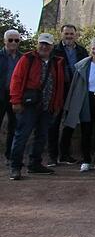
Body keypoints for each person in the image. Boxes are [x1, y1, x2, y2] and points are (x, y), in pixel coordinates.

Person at [8, 34, 66, 180]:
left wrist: (57, 104)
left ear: (52, 46)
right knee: (21, 136)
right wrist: (15, 101)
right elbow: (16, 79)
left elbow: (59, 85)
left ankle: (35, 164)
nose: (44, 47)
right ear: (37, 44)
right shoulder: (28, 59)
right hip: (29, 105)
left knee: (41, 137)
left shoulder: (56, 62)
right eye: (42, 43)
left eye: (47, 44)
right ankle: (15, 167)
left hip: (47, 106)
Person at [62, 38, 95, 173]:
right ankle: (86, 160)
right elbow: (74, 86)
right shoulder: (83, 65)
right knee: (86, 131)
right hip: (86, 99)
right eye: (93, 49)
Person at [49, 24, 87, 166]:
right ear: (61, 34)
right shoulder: (55, 50)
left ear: (75, 35)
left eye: (71, 34)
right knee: (54, 122)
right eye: (67, 34)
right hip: (59, 90)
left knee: (70, 123)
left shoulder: (82, 51)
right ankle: (53, 156)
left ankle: (64, 154)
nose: (69, 36)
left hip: (76, 89)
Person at [0, 29, 23, 163]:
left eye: (16, 40)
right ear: (4, 41)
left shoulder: (23, 58)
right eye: (10, 40)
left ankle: (10, 156)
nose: (13, 42)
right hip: (1, 96)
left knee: (14, 127)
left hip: (15, 97)